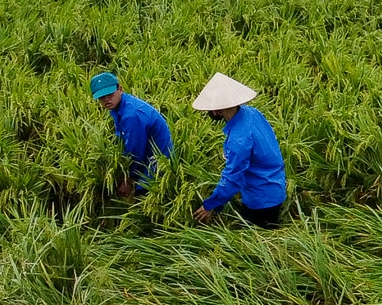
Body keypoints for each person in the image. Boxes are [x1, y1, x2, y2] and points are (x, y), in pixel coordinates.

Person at [189, 73, 287, 227]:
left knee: (259, 241)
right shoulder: (252, 113)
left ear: (216, 111)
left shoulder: (239, 139)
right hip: (275, 185)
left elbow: (233, 177)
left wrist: (211, 205)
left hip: (261, 198)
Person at [90, 71, 172, 196]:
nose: (106, 100)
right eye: (102, 98)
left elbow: (135, 151)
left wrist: (129, 179)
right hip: (147, 155)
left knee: (142, 197)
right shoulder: (119, 107)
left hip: (158, 162)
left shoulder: (131, 115)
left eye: (109, 94)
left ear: (120, 89)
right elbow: (123, 140)